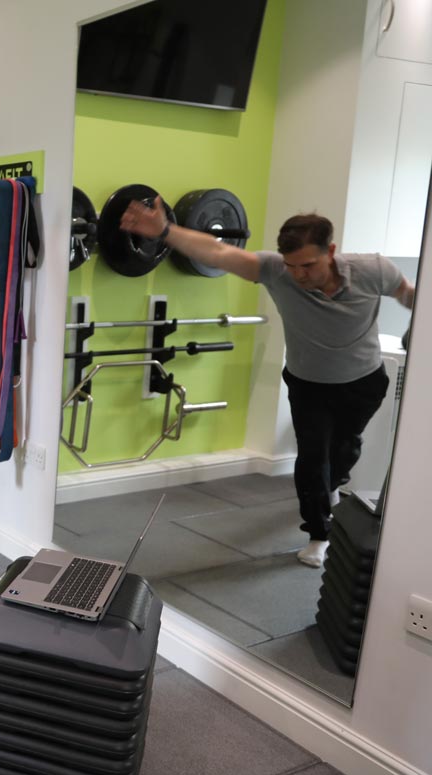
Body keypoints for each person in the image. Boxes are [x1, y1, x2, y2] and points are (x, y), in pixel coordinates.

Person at [121, 199, 414, 568]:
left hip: (364, 382)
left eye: (308, 265)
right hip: (309, 383)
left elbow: (408, 294)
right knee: (311, 457)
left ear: (332, 252)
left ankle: (335, 482)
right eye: (292, 266)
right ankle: (319, 533)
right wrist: (164, 231)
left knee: (344, 449)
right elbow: (217, 252)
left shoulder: (373, 270)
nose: (300, 275)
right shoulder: (276, 272)